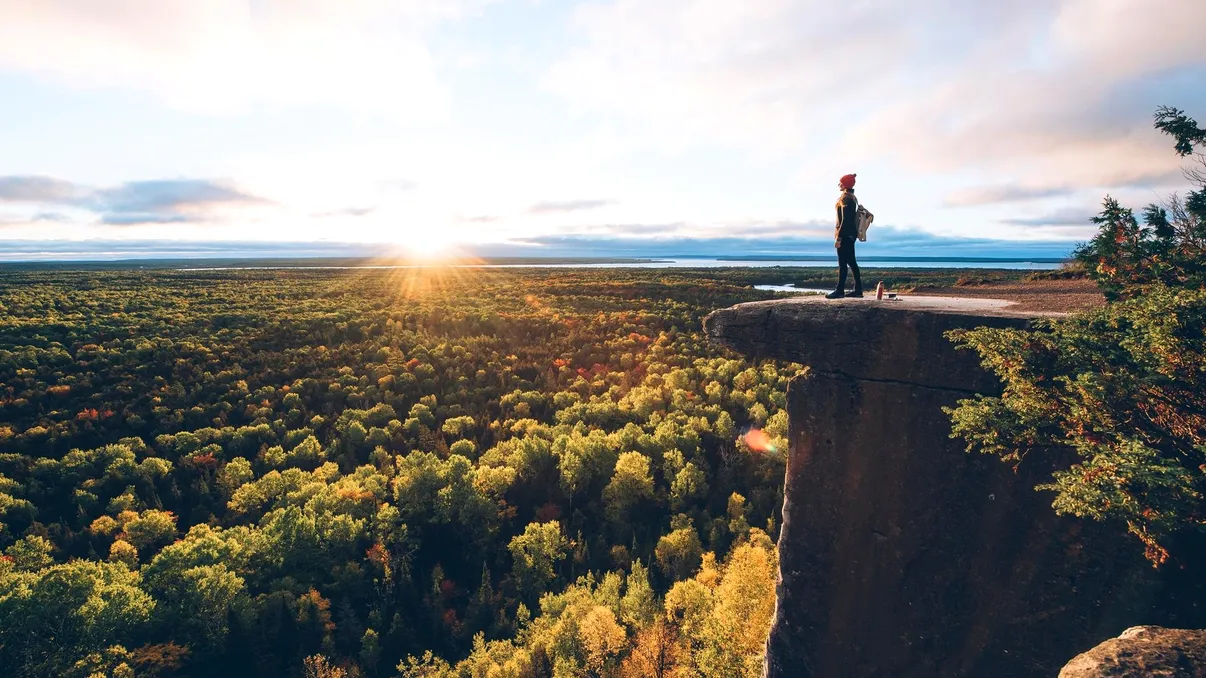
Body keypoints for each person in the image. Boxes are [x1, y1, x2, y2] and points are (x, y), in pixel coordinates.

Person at [826, 173, 863, 299]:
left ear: (845, 184)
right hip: (851, 235)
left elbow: (845, 220)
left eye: (840, 182)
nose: (838, 184)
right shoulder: (852, 197)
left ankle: (839, 290)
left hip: (845, 236)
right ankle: (858, 290)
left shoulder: (845, 198)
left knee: (843, 264)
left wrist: (839, 238)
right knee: (852, 263)